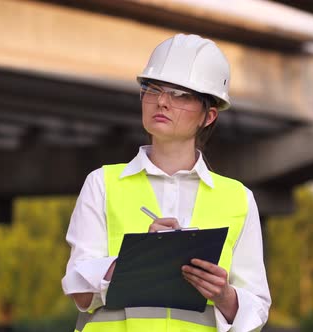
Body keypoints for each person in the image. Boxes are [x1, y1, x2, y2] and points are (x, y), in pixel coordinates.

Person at [62, 33, 271, 332]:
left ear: (209, 116)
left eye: (180, 94)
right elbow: (80, 292)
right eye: (152, 89)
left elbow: (257, 308)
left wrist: (224, 295)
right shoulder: (102, 184)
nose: (161, 101)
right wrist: (139, 259)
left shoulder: (238, 199)